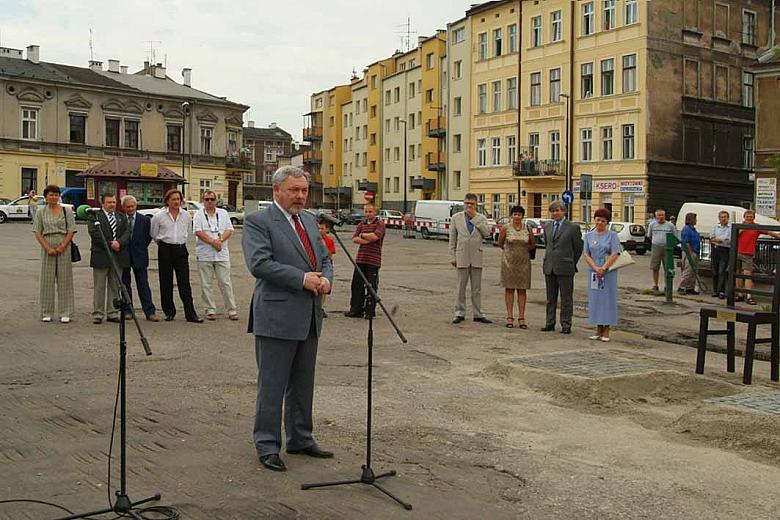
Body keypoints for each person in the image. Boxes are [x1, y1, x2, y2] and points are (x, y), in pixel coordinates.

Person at [242, 166, 333, 472]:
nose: (300, 196)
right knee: (273, 384)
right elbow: (259, 263)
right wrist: (302, 279)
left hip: (308, 314)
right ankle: (267, 444)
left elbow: (324, 258)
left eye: (304, 190)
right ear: (276, 191)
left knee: (303, 382)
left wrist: (326, 281)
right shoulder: (258, 221)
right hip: (277, 315)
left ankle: (300, 437)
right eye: (294, 190)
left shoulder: (309, 220)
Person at [150, 189, 203, 323]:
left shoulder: (186, 215)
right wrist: (163, 244)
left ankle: (190, 314)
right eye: (173, 199)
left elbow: (187, 231)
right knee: (166, 282)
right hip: (165, 249)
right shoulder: (159, 216)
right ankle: (169, 311)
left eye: (178, 199)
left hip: (180, 249)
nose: (176, 202)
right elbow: (154, 234)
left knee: (184, 282)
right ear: (167, 201)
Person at [32, 184, 76, 323]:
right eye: (51, 195)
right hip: (47, 245)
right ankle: (46, 312)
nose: (54, 197)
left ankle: (65, 312)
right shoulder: (41, 211)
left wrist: (63, 246)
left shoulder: (66, 210)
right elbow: (37, 232)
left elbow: (71, 230)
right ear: (45, 197)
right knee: (47, 280)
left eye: (56, 195)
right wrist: (47, 248)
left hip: (64, 244)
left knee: (65, 280)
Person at [193, 190, 238, 321]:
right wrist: (213, 242)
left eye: (212, 199)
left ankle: (231, 309)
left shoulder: (223, 213)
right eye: (206, 199)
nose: (209, 202)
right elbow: (198, 231)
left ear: (216, 201)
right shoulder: (198, 214)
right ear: (203, 201)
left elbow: (229, 230)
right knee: (206, 284)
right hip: (205, 254)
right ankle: (210, 309)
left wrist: (220, 241)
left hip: (221, 254)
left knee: (225, 282)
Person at [449, 193, 492, 324]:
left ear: (476, 204)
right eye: (467, 203)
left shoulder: (481, 218)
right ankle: (459, 312)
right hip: (461, 255)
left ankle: (478, 313)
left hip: (476, 256)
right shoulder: (456, 218)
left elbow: (487, 234)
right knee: (461, 286)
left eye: (471, 204)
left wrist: (474, 218)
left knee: (476, 288)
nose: (469, 206)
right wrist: (452, 256)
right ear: (463, 203)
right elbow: (452, 239)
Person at [541, 200, 584, 334]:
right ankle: (550, 322)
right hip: (550, 266)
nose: (555, 213)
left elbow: (578, 248)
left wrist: (571, 261)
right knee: (550, 298)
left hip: (565, 266)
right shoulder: (547, 226)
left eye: (558, 210)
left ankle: (566, 324)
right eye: (553, 211)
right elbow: (548, 244)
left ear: (564, 212)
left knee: (566, 298)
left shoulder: (572, 227)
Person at [88, 193, 131, 324]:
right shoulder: (95, 216)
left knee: (115, 286)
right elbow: (94, 233)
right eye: (109, 202)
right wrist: (110, 244)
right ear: (103, 204)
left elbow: (127, 232)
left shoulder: (121, 217)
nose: (112, 205)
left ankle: (112, 313)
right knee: (99, 286)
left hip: (118, 256)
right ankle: (98, 314)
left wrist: (119, 242)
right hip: (101, 255)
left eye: (113, 202)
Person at [583, 208, 621, 342]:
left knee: (607, 299)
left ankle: (606, 329)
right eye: (598, 220)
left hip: (608, 271)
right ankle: (598, 328)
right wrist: (595, 268)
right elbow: (586, 254)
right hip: (594, 271)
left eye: (603, 221)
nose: (599, 223)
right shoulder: (588, 235)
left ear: (607, 222)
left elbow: (615, 252)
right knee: (596, 299)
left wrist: (604, 268)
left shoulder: (612, 236)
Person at [121, 196, 160, 321]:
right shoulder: (120, 219)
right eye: (128, 207)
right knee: (125, 285)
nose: (131, 209)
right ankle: (128, 310)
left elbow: (148, 237)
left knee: (143, 284)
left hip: (140, 256)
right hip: (124, 256)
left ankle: (149, 311)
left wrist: (140, 248)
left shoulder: (145, 220)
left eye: (133, 206)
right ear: (123, 207)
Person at [497, 205, 535, 329]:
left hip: (523, 263)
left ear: (523, 216)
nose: (517, 216)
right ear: (511, 215)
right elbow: (500, 242)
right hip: (509, 262)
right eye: (515, 214)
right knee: (509, 289)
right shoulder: (505, 228)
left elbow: (532, 244)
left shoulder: (528, 228)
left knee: (522, 290)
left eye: (519, 214)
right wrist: (509, 251)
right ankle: (509, 316)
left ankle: (522, 317)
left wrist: (523, 252)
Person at [345, 203, 385, 318]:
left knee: (371, 286)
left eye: (370, 212)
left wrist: (363, 235)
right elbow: (354, 238)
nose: (368, 214)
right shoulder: (361, 224)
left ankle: (369, 311)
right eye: (366, 212)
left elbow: (375, 236)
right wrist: (366, 239)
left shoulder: (380, 224)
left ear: (375, 212)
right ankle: (356, 309)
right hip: (361, 258)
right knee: (357, 284)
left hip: (373, 260)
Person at [735, 209, 780, 305]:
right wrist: (741, 230)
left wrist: (778, 236)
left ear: (753, 218)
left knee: (747, 274)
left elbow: (769, 232)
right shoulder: (739, 226)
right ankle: (739, 294)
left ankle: (749, 295)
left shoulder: (756, 227)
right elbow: (733, 236)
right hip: (737, 252)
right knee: (737, 274)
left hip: (748, 253)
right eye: (747, 217)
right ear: (744, 217)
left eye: (751, 217)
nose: (749, 219)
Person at [646, 209, 677, 293]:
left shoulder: (670, 225)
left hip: (667, 248)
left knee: (668, 267)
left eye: (662, 215)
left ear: (665, 216)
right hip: (656, 247)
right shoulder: (652, 225)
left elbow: (675, 236)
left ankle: (667, 286)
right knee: (655, 267)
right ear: (656, 216)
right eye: (659, 215)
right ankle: (655, 285)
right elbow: (649, 235)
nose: (661, 217)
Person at [710, 210, 732, 299]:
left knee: (722, 271)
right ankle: (715, 290)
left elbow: (729, 240)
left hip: (725, 250)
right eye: (721, 217)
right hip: (716, 250)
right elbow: (711, 237)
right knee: (715, 271)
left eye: (725, 217)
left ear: (728, 218)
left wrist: (720, 240)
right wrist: (719, 240)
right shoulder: (716, 227)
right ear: (719, 218)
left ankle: (721, 291)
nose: (723, 219)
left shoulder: (730, 228)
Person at [678, 213, 701, 295]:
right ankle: (682, 286)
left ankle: (690, 287)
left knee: (693, 271)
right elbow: (686, 242)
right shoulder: (687, 229)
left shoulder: (693, 229)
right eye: (695, 219)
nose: (696, 221)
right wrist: (690, 253)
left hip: (695, 251)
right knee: (688, 270)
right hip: (690, 252)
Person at [319, 221, 336, 318]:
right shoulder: (313, 239)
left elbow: (330, 254)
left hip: (326, 264)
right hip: (317, 264)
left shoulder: (329, 241)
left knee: (324, 287)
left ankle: (321, 307)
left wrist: (324, 246)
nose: (320, 231)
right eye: (318, 228)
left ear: (327, 229)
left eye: (322, 228)